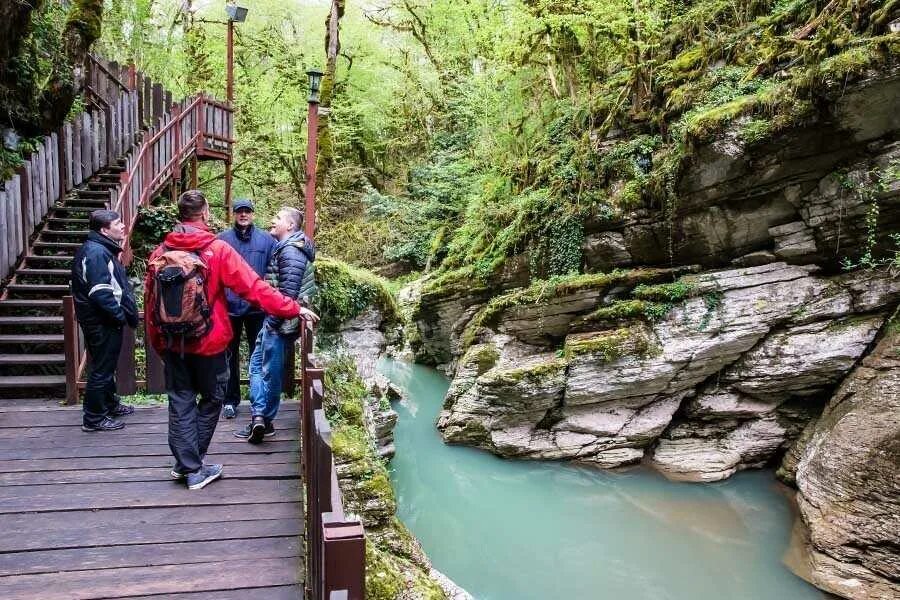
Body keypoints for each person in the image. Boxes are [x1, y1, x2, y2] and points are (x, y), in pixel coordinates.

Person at [144, 190, 318, 490]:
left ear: (180, 216)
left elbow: (149, 305)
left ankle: (185, 463)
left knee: (180, 400)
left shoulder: (160, 253)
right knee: (212, 398)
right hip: (209, 343)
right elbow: (254, 288)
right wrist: (293, 307)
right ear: (205, 213)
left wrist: (159, 343)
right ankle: (193, 467)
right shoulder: (217, 250)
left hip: (173, 342)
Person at [235, 207, 315, 444]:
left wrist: (271, 322)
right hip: (279, 320)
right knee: (262, 368)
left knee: (264, 369)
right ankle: (260, 418)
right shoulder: (291, 248)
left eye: (278, 218)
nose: (273, 220)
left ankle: (263, 419)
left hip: (278, 322)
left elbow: (288, 294)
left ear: (290, 226)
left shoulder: (291, 251)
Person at [71, 209, 139, 432]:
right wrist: (118, 316)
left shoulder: (101, 250)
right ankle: (94, 418)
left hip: (101, 320)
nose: (122, 226)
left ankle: (109, 404)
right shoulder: (96, 253)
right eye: (117, 223)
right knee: (101, 369)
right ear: (104, 230)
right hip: (101, 321)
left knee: (105, 366)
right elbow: (100, 292)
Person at [217, 198, 275, 419]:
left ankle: (257, 402)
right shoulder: (222, 240)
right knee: (227, 355)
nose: (243, 215)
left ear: (253, 214)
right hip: (229, 307)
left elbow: (273, 270)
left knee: (257, 356)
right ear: (233, 214)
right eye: (239, 212)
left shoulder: (267, 240)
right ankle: (230, 400)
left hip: (257, 308)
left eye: (247, 212)